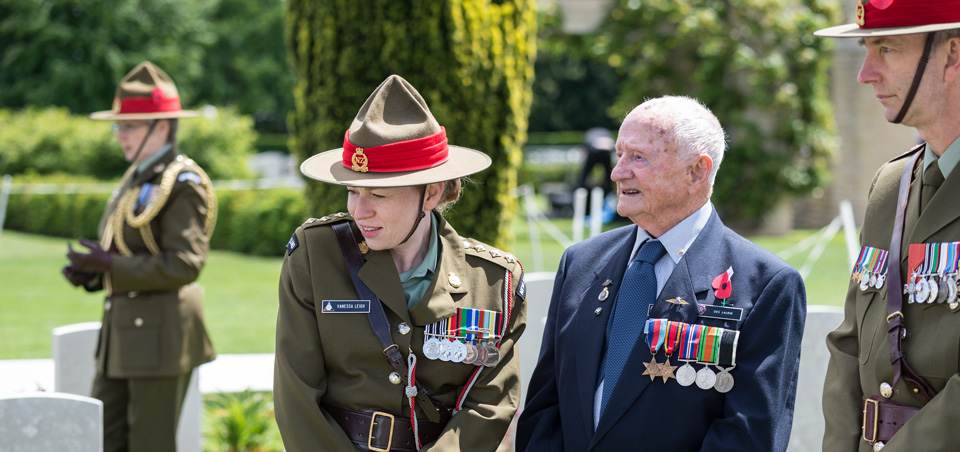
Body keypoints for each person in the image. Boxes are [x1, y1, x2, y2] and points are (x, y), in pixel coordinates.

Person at [516, 95, 806, 451]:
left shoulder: (766, 284)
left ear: (697, 171)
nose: (617, 171)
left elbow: (748, 433)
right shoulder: (581, 262)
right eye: (620, 154)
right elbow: (546, 410)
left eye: (639, 157)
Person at [273, 74, 527, 451]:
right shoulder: (315, 256)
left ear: (432, 193)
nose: (361, 211)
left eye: (379, 194)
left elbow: (489, 405)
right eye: (353, 192)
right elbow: (296, 396)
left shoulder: (493, 282)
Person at [815, 2, 960, 451]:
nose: (865, 73)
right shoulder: (890, 185)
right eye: (866, 49)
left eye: (887, 49)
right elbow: (850, 343)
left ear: (952, 55)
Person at [61, 61, 217, 452]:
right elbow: (126, 247)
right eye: (119, 126)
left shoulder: (183, 183)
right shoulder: (138, 175)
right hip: (124, 335)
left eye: (128, 126)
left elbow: (185, 263)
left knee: (150, 444)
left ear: (160, 127)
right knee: (105, 438)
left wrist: (112, 266)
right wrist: (95, 274)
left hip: (161, 337)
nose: (119, 136)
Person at [577, 126, 615, 194]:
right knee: (609, 175)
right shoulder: (605, 135)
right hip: (605, 153)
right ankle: (609, 190)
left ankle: (581, 187)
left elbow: (585, 152)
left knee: (584, 175)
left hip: (593, 152)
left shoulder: (590, 135)